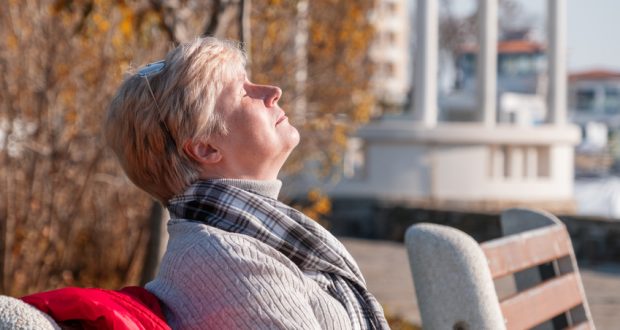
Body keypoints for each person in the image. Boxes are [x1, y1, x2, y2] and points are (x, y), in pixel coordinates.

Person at [105, 37, 389, 329]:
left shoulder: (248, 242)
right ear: (205, 148)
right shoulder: (223, 260)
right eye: (243, 92)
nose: (273, 92)